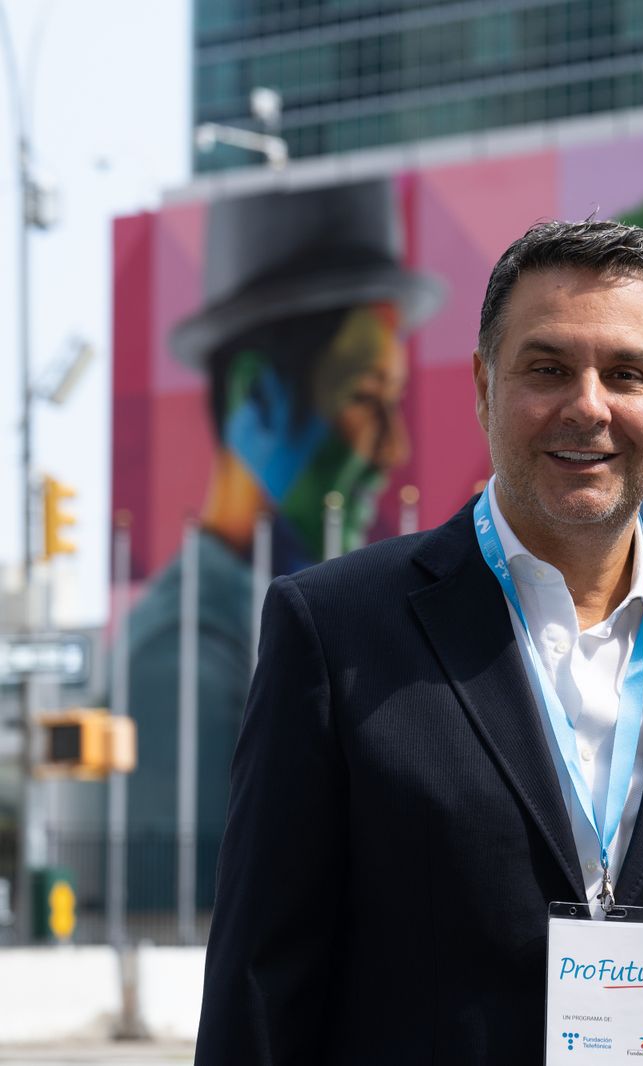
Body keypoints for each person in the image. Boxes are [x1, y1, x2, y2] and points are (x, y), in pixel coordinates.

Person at [196, 218, 643, 1064]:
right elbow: (259, 987)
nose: (588, 405)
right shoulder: (334, 629)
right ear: (484, 388)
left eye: (627, 374)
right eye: (548, 368)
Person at [122, 178, 444, 894]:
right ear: (254, 400)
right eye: (365, 398)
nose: (394, 449)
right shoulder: (189, 660)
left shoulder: (319, 615)